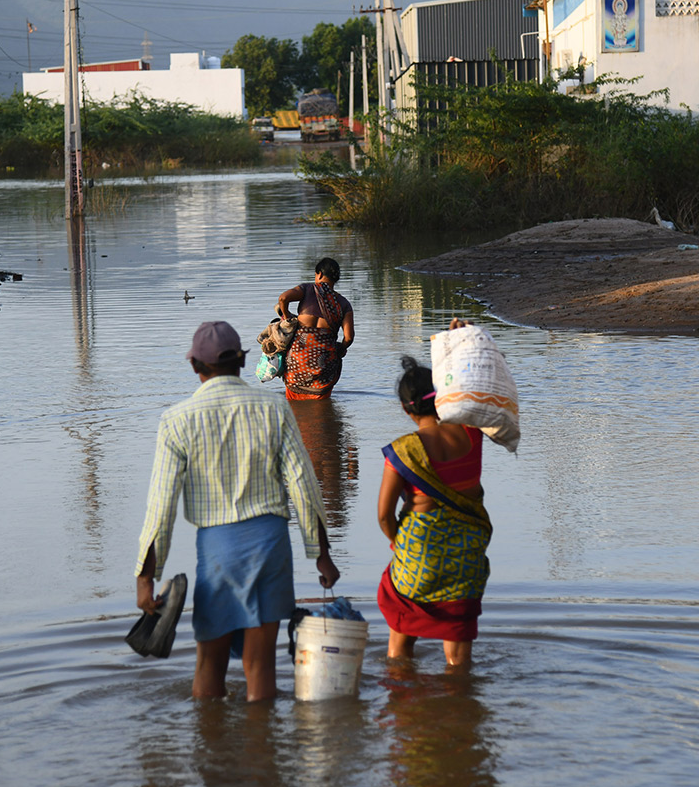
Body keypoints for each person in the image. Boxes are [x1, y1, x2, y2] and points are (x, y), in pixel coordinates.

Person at [135, 320, 341, 701]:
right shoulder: (274, 408)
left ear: (195, 366)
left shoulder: (176, 421)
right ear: (243, 363)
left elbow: (160, 505)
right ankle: (263, 753)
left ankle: (212, 754)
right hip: (270, 545)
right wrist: (322, 555)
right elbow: (304, 487)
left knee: (208, 666)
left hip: (218, 553)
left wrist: (147, 577)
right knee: (260, 666)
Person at [376, 334, 491, 668]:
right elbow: (476, 387)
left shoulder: (403, 451)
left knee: (400, 639)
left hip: (419, 556)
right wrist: (461, 343)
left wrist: (400, 544)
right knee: (458, 656)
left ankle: (405, 705)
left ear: (404, 407)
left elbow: (384, 516)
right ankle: (461, 710)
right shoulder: (471, 431)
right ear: (441, 397)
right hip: (466, 556)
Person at [274, 257, 354, 400]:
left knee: (295, 409)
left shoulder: (307, 289)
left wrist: (286, 317)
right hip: (324, 367)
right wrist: (341, 348)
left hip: (297, 365)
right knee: (321, 410)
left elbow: (283, 298)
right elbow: (348, 338)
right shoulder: (343, 304)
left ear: (320, 274)